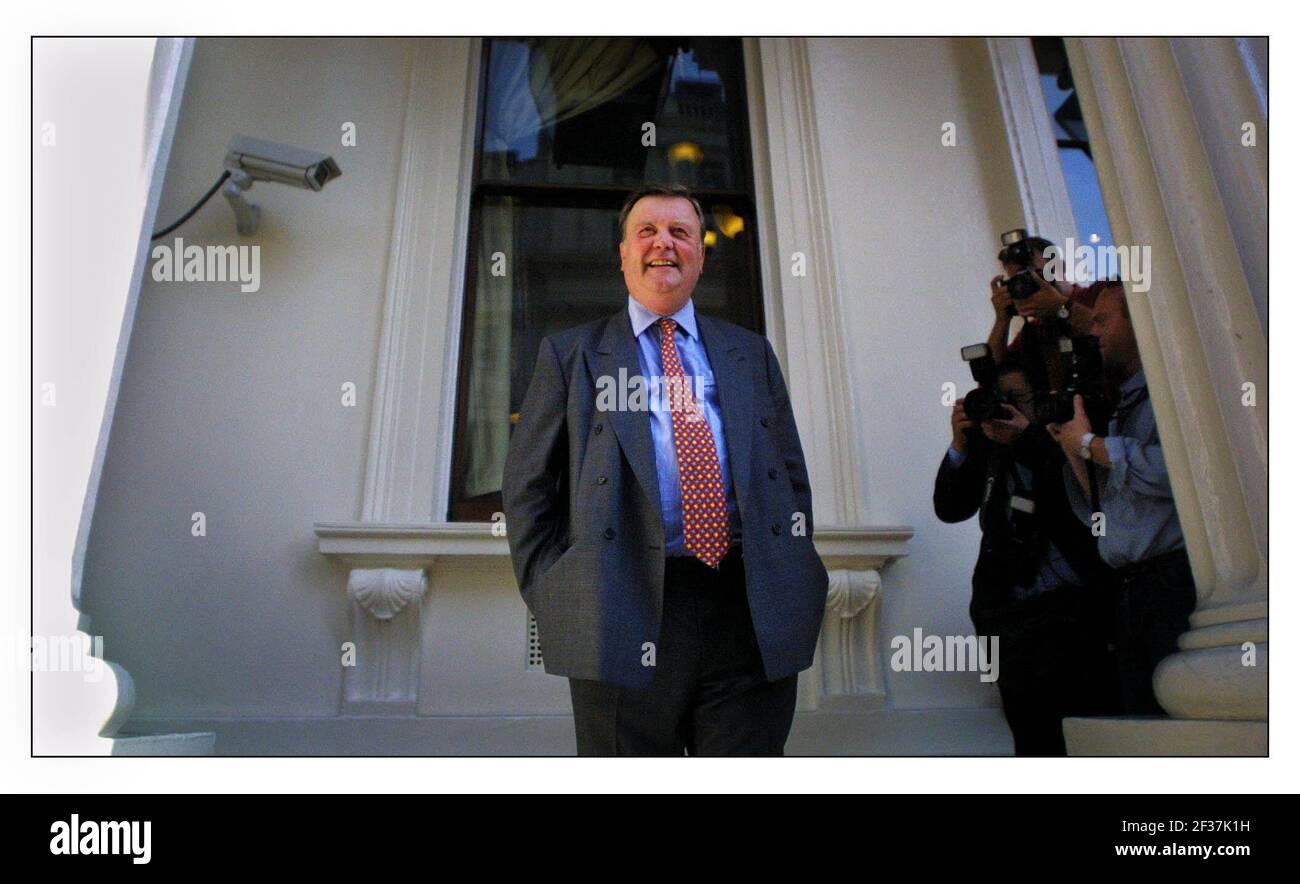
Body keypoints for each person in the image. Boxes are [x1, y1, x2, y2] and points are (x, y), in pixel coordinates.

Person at [502, 184, 828, 756]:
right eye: (646, 231)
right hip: (622, 605)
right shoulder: (571, 354)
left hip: (749, 605)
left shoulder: (750, 353)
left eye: (680, 232)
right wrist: (557, 589)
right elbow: (528, 490)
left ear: (701, 253)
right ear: (623, 254)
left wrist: (794, 560)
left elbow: (790, 476)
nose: (664, 244)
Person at [934, 358, 1121, 754]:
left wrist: (1025, 437)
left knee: (1090, 734)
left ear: (1041, 400)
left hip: (1074, 615)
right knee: (1032, 740)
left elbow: (1079, 493)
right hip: (1008, 619)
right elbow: (950, 509)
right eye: (997, 399)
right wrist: (960, 446)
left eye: (1015, 398)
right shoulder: (987, 446)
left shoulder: (1067, 439)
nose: (1004, 408)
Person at [1046, 280, 1195, 715]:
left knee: (1181, 713)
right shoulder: (1125, 402)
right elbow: (1106, 506)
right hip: (1130, 588)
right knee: (1143, 716)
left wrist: (1091, 443)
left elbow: (1178, 471)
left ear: (1139, 324)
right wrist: (1074, 448)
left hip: (1170, 581)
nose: (1094, 332)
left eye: (1103, 320)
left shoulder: (1169, 394)